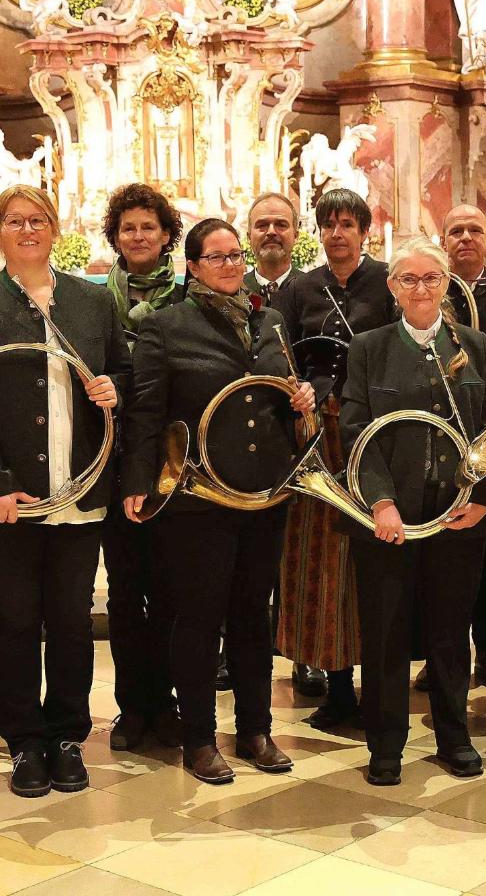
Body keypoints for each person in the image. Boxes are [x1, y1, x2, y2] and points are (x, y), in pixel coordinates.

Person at [0, 184, 129, 798]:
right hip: (7, 497)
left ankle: (68, 734)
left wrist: (112, 390)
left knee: (71, 619)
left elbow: (123, 367)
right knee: (13, 619)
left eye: (37, 219)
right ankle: (23, 741)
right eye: (14, 221)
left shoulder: (91, 302)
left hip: (79, 486)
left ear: (55, 227)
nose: (27, 229)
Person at [122, 218, 316, 783]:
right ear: (192, 267)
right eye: (217, 257)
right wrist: (138, 480)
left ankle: (257, 730)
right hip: (199, 497)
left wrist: (300, 396)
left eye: (236, 255)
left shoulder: (270, 321)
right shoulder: (165, 327)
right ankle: (200, 738)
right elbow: (147, 412)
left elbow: (280, 399)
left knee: (253, 615)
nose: (231, 265)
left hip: (263, 490)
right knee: (200, 619)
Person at [342, 237, 486, 786]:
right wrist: (380, 501)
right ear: (392, 288)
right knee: (385, 635)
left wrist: (484, 499)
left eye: (431, 278)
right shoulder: (368, 347)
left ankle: (454, 736)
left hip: (457, 517)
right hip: (390, 519)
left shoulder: (475, 344)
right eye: (408, 279)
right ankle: (386, 744)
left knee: (449, 633)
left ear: (446, 285)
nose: (420, 288)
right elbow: (354, 430)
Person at [271, 187, 398, 726]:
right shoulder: (302, 287)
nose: (338, 234)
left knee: (375, 557)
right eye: (328, 225)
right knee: (322, 560)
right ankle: (336, 683)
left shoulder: (388, 281)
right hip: (318, 436)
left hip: (373, 431)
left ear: (364, 230)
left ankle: (381, 681)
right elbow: (276, 349)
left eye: (348, 224)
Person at [414, 203, 486, 695]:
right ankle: (437, 652)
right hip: (431, 447)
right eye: (455, 230)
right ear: (444, 241)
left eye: (474, 230)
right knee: (432, 554)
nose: (465, 237)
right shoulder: (425, 288)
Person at [99, 182, 185, 752]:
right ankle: (133, 709)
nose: (137, 236)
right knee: (127, 595)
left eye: (147, 227)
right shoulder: (91, 299)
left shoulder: (188, 297)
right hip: (110, 463)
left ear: (166, 235)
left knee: (174, 594)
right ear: (114, 236)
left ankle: (170, 703)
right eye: (128, 228)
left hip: (173, 464)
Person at [244, 192, 304, 302]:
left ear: (296, 236)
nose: (271, 232)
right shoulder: (236, 292)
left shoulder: (314, 291)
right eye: (262, 225)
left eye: (281, 225)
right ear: (249, 237)